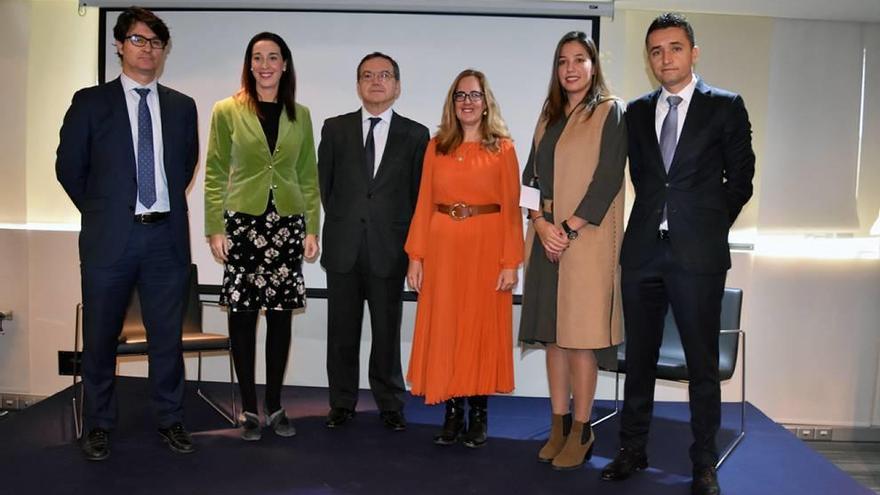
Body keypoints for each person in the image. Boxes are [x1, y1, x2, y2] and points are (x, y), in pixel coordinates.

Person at [600, 13, 755, 495]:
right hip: (643, 251)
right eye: (655, 50)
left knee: (702, 365)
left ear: (694, 52)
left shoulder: (726, 106)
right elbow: (637, 178)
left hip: (698, 257)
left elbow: (742, 180)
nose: (665, 58)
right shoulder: (638, 111)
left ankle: (703, 462)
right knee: (639, 358)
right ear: (649, 59)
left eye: (674, 48)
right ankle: (632, 448)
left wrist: (705, 227)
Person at [55, 7, 198, 460]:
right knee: (100, 338)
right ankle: (98, 424)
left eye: (156, 43)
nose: (148, 50)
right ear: (118, 45)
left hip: (164, 239)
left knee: (166, 339)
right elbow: (69, 169)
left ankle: (170, 419)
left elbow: (184, 165)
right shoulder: (89, 102)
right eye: (139, 40)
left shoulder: (181, 106)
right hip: (109, 241)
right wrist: (103, 213)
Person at [518, 31, 627, 470]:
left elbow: (607, 182)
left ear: (593, 65)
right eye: (563, 60)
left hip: (585, 243)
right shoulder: (547, 117)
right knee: (554, 340)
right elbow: (529, 183)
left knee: (581, 341)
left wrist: (565, 228)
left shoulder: (609, 112)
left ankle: (583, 430)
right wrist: (542, 226)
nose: (570, 68)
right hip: (546, 239)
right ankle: (558, 425)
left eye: (579, 59)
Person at [204, 32, 320, 441]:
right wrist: (214, 227)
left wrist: (311, 227)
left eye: (273, 57)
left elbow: (307, 174)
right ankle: (249, 409)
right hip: (244, 225)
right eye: (258, 57)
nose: (265, 64)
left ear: (285, 64)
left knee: (281, 316)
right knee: (243, 316)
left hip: (286, 223)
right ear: (249, 64)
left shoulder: (299, 114)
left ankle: (275, 405)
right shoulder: (226, 110)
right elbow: (215, 170)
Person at [405, 69, 523, 448]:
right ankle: (452, 413)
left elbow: (510, 210)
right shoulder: (436, 146)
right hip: (442, 250)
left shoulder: (503, 148)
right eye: (460, 96)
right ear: (452, 103)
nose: (467, 102)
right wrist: (416, 257)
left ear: (486, 103)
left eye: (474, 95)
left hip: (486, 251)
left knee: (480, 328)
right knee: (448, 328)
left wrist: (510, 262)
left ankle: (479, 413)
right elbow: (423, 202)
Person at [318, 53, 429, 431]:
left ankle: (390, 402)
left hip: (389, 250)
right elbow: (326, 188)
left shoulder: (416, 135)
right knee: (341, 334)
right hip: (344, 248)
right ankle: (342, 402)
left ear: (397, 86)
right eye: (367, 75)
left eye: (384, 76)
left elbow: (418, 197)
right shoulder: (334, 129)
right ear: (358, 85)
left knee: (386, 333)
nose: (376, 81)